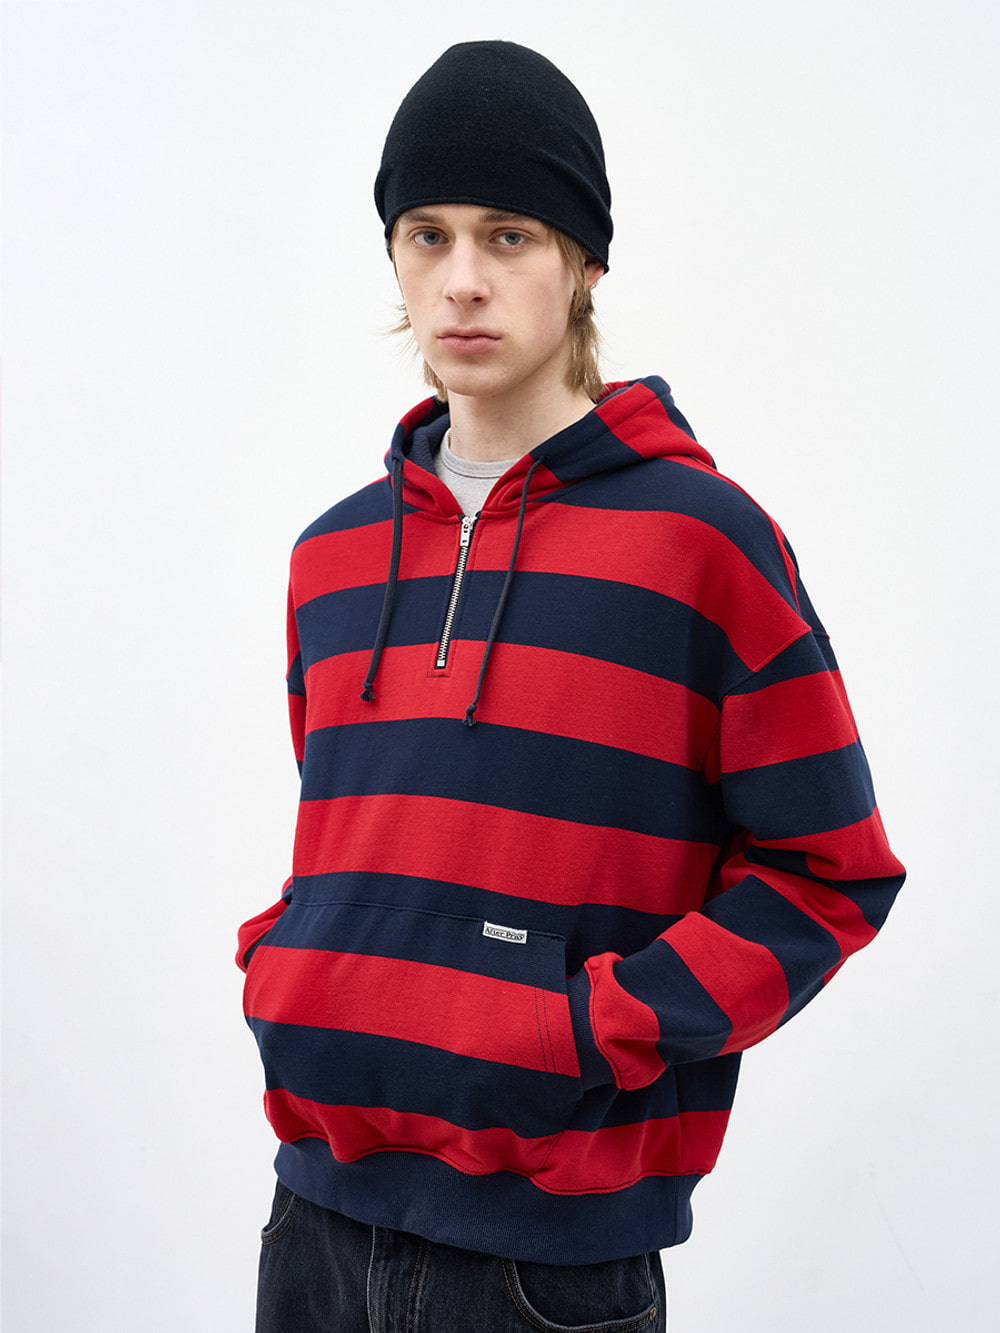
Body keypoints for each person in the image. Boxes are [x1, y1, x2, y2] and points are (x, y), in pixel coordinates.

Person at [237, 40, 905, 1332]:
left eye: (510, 235)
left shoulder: (701, 546)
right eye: (427, 236)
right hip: (310, 1223)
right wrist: (294, 965)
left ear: (584, 261)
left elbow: (832, 872)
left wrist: (589, 1027)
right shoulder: (330, 559)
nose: (463, 279)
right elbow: (354, 836)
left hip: (545, 1269)